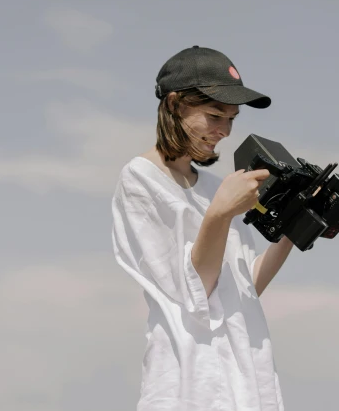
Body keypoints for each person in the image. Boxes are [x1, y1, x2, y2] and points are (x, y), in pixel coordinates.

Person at [111, 46, 293, 410]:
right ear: (176, 105)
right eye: (214, 115)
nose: (224, 131)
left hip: (247, 376)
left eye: (232, 119)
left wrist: (293, 228)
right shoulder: (139, 180)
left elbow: (243, 286)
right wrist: (220, 214)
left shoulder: (214, 187)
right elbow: (195, 291)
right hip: (191, 382)